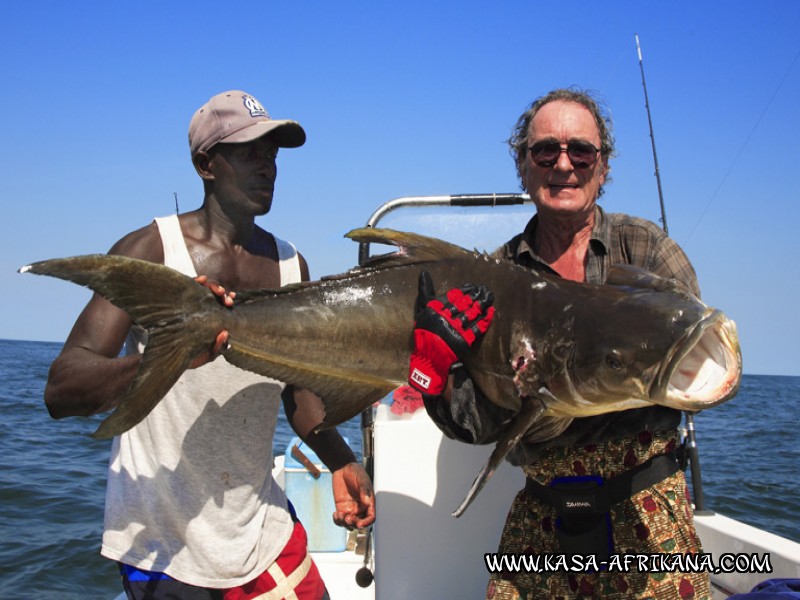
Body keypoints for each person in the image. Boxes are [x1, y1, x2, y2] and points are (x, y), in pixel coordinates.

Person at [44, 90, 375, 600]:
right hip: (163, 542)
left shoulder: (291, 265)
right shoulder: (152, 251)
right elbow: (64, 387)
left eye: (273, 155)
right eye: (250, 153)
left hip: (260, 531)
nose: (268, 168)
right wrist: (175, 353)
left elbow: (296, 391)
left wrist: (340, 460)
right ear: (205, 164)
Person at [408, 88, 709, 599]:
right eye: (545, 151)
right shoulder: (492, 277)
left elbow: (702, 368)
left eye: (581, 152)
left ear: (604, 166)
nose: (563, 165)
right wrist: (430, 374)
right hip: (542, 521)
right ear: (523, 167)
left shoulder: (645, 248)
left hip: (648, 519)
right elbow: (477, 423)